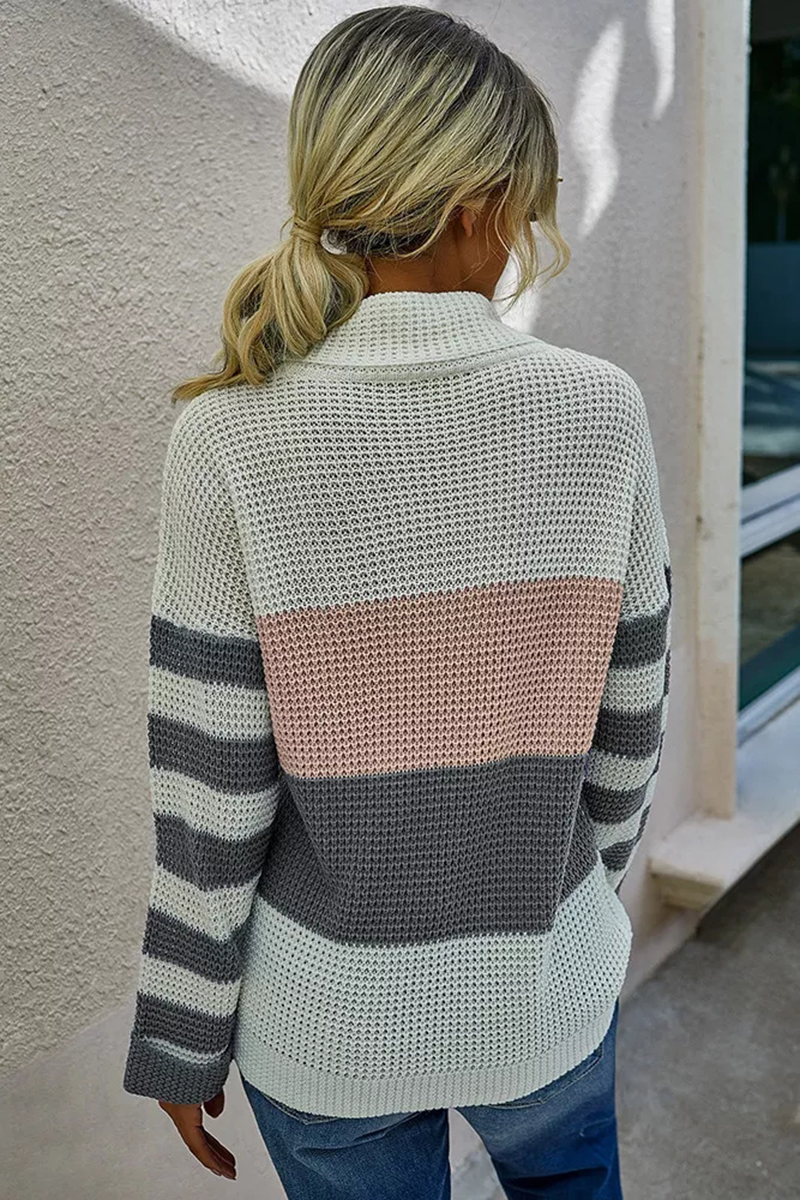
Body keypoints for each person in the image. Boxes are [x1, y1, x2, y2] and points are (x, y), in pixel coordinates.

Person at [121, 6, 672, 1199]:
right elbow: (628, 726)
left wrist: (181, 1025)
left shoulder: (228, 437)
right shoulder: (598, 410)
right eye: (524, 205)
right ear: (476, 205)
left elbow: (210, 784)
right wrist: (569, 899)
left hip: (323, 1026)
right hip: (543, 993)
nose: (524, 237)